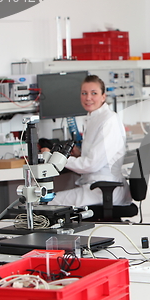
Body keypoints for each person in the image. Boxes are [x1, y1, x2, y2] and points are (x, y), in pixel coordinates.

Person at [47, 75, 131, 208]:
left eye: (94, 93)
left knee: (46, 203)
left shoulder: (108, 121)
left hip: (104, 190)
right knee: (49, 200)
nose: (88, 98)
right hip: (96, 186)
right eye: (84, 93)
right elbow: (96, 158)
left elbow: (91, 165)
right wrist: (79, 154)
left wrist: (56, 158)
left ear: (103, 96)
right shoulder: (95, 118)